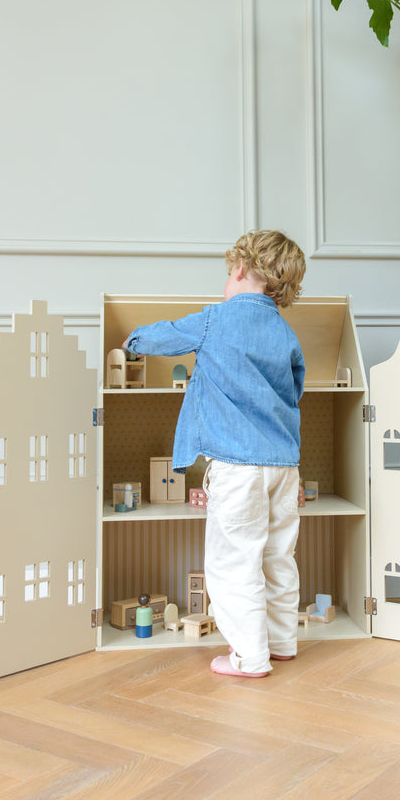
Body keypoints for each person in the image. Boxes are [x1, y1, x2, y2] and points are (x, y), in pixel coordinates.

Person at [124, 229, 306, 677]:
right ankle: (281, 643)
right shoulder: (286, 333)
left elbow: (164, 337)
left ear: (241, 269)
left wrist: (131, 342)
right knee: (278, 557)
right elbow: (295, 389)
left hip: (237, 465)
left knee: (233, 561)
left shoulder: (215, 319)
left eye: (229, 273)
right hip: (284, 466)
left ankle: (249, 657)